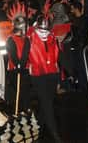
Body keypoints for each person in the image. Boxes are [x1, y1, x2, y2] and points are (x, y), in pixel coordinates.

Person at [29, 14, 63, 143]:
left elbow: (56, 59)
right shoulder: (30, 38)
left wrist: (58, 78)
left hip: (52, 74)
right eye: (41, 30)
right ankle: (55, 134)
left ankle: (37, 129)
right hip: (38, 75)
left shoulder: (52, 38)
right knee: (47, 105)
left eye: (46, 30)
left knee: (46, 103)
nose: (44, 33)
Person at [5, 2, 31, 113]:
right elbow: (13, 54)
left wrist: (23, 65)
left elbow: (26, 52)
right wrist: (18, 64)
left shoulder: (26, 39)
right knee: (17, 92)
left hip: (24, 69)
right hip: (15, 70)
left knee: (25, 92)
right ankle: (18, 112)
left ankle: (25, 111)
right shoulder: (11, 39)